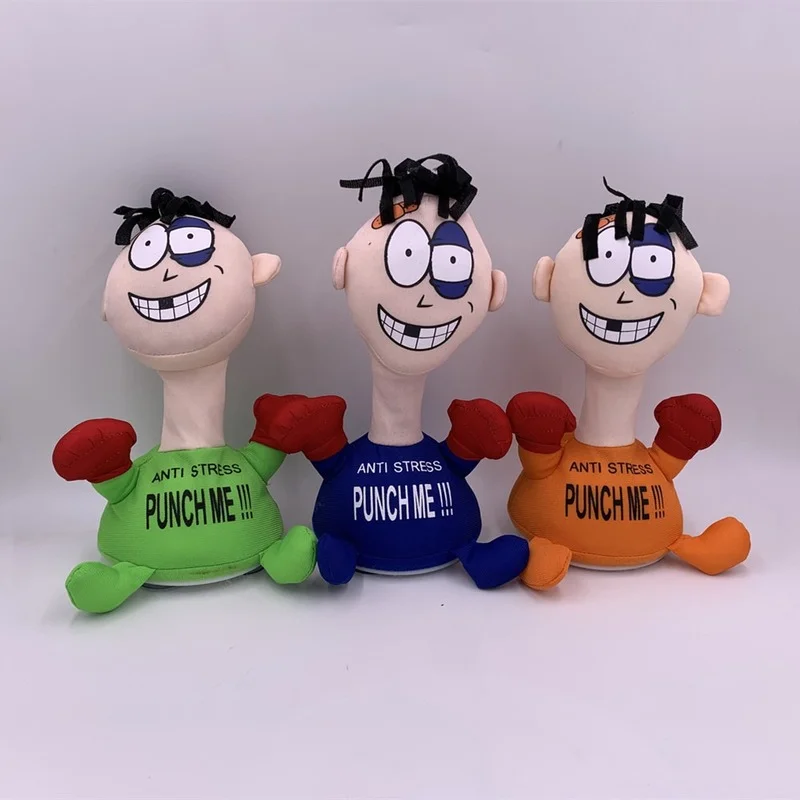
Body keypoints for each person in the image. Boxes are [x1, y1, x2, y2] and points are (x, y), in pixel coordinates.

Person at [254, 155, 529, 587]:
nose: (423, 298)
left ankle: (467, 552)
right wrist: (319, 440)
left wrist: (468, 444)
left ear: (494, 289)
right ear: (342, 268)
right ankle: (339, 547)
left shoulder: (428, 466)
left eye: (451, 267)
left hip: (446, 530)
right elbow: (331, 462)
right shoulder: (355, 469)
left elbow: (459, 459)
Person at [53, 188, 316, 613]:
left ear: (256, 272)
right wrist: (106, 470)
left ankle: (271, 555)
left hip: (220, 525)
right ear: (109, 304)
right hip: (187, 535)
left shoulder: (240, 469)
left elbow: (262, 461)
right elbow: (123, 490)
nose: (167, 275)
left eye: (190, 248)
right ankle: (126, 574)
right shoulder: (233, 471)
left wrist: (275, 438)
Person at [507, 180, 750, 590]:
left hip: (642, 513)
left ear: (708, 295)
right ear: (547, 280)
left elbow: (662, 470)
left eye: (651, 269)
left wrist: (678, 445)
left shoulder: (650, 476)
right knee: (540, 457)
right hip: (578, 503)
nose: (623, 297)